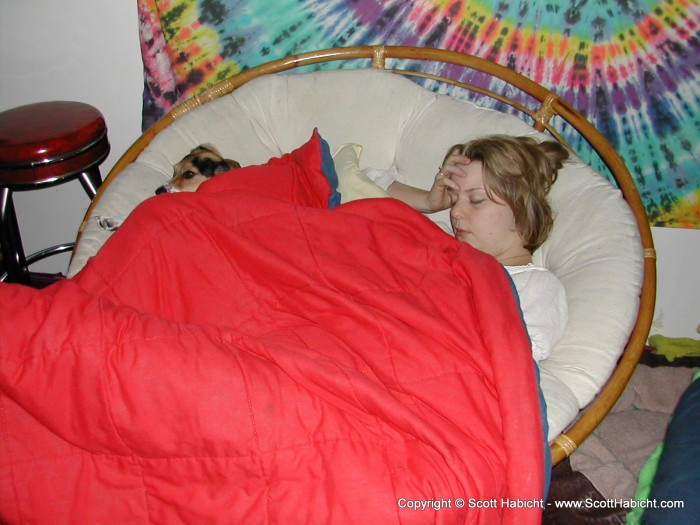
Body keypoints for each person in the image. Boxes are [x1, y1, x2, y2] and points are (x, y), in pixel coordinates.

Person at [373, 135, 569, 362]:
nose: (455, 212)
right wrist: (427, 202)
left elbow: (515, 361)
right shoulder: (440, 239)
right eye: (454, 200)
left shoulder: (535, 285)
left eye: (476, 200)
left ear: (522, 209)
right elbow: (358, 184)